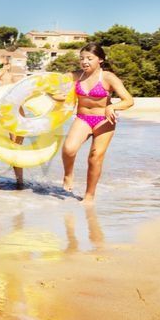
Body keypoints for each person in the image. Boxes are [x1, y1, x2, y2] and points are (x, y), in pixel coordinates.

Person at [61, 43, 133, 203]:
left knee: (95, 157)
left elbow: (129, 100)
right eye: (81, 58)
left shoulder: (108, 77)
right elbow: (53, 85)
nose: (84, 61)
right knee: (68, 149)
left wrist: (112, 107)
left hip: (104, 121)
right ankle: (68, 175)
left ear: (100, 59)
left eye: (89, 58)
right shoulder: (75, 75)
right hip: (83, 118)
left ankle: (89, 196)